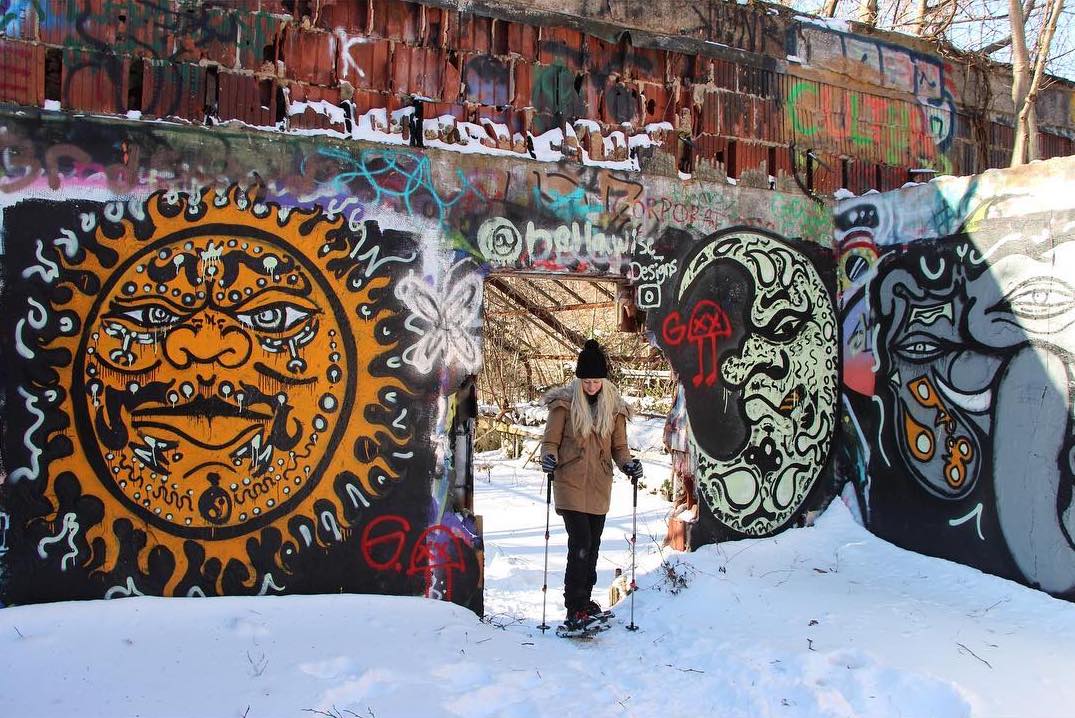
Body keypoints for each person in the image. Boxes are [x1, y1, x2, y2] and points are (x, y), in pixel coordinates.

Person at [540, 339, 644, 626]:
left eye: (596, 381)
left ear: (604, 380)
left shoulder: (615, 410)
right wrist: (548, 458)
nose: (591, 386)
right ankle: (574, 606)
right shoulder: (564, 405)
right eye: (586, 381)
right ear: (578, 379)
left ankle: (585, 601)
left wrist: (629, 465)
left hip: (599, 485)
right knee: (581, 543)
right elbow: (550, 442)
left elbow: (620, 449)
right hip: (570, 483)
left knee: (594, 545)